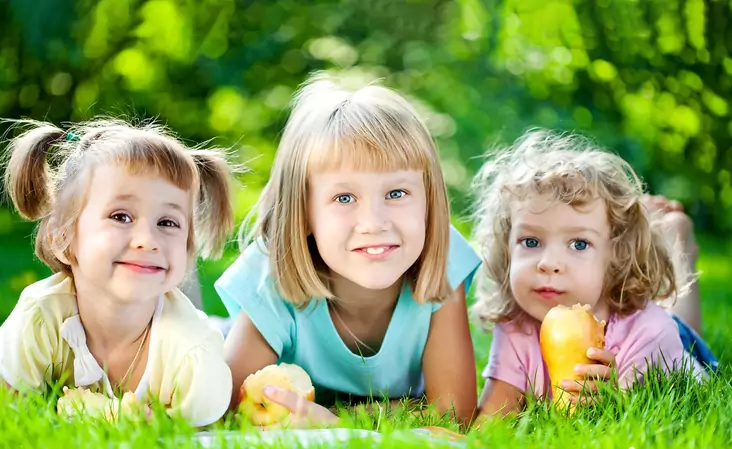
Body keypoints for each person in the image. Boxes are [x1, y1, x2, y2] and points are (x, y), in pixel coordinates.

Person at [214, 74, 481, 427]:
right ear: (303, 213)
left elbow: (453, 412)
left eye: (396, 193)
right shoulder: (271, 275)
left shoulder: (443, 259)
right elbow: (226, 411)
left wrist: (337, 419)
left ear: (429, 202)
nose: (374, 222)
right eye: (344, 198)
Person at [0, 118, 235, 428]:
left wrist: (157, 426)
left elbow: (205, 434)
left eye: (167, 222)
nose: (147, 240)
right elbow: (0, 418)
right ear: (62, 237)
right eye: (121, 216)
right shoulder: (40, 317)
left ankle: (228, 326)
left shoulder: (193, 351)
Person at [469, 129, 718, 419]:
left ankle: (678, 240)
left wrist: (613, 397)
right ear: (507, 248)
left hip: (673, 344)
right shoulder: (516, 325)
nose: (548, 263)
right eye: (531, 242)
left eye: (578, 244)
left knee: (683, 321)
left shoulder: (651, 332)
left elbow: (668, 414)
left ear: (616, 255)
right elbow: (492, 418)